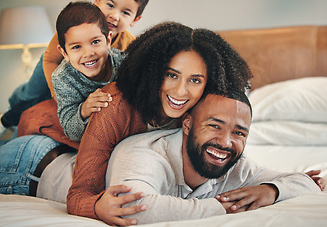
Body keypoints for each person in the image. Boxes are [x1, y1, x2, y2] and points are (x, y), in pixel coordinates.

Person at [0, 21, 253, 226]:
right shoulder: (115, 107)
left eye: (195, 80)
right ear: (154, 72)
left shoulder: (198, 115)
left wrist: (270, 189)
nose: (180, 91)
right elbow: (79, 195)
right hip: (30, 160)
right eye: (171, 75)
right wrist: (96, 205)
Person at [105, 89, 322, 225]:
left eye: (239, 132)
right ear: (187, 124)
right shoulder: (144, 153)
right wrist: (221, 208)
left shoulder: (238, 168)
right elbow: (131, 210)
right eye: (214, 126)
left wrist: (271, 190)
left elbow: (306, 184)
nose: (226, 143)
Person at [0, 0, 151, 129]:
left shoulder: (129, 46)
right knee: (31, 94)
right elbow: (50, 60)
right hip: (54, 65)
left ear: (135, 19)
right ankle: (18, 102)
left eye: (125, 13)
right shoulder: (75, 25)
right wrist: (56, 96)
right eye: (110, 5)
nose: (114, 15)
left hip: (78, 76)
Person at [53, 1, 127, 141]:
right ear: (64, 53)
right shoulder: (63, 78)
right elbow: (71, 131)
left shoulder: (125, 63)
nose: (88, 53)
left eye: (95, 42)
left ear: (108, 40)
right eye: (76, 47)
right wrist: (84, 110)